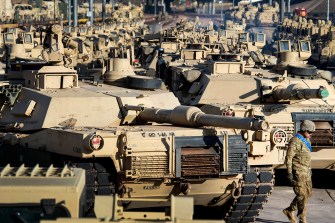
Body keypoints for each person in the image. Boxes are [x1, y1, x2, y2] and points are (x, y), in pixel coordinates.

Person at [283, 120, 315, 223]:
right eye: (309, 132)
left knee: (308, 193)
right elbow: (288, 158)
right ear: (304, 130)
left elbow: (307, 157)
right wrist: (289, 173)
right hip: (298, 172)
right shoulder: (295, 141)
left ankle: (289, 210)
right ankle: (302, 218)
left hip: (306, 171)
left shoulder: (307, 140)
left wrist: (309, 170)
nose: (310, 135)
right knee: (301, 195)